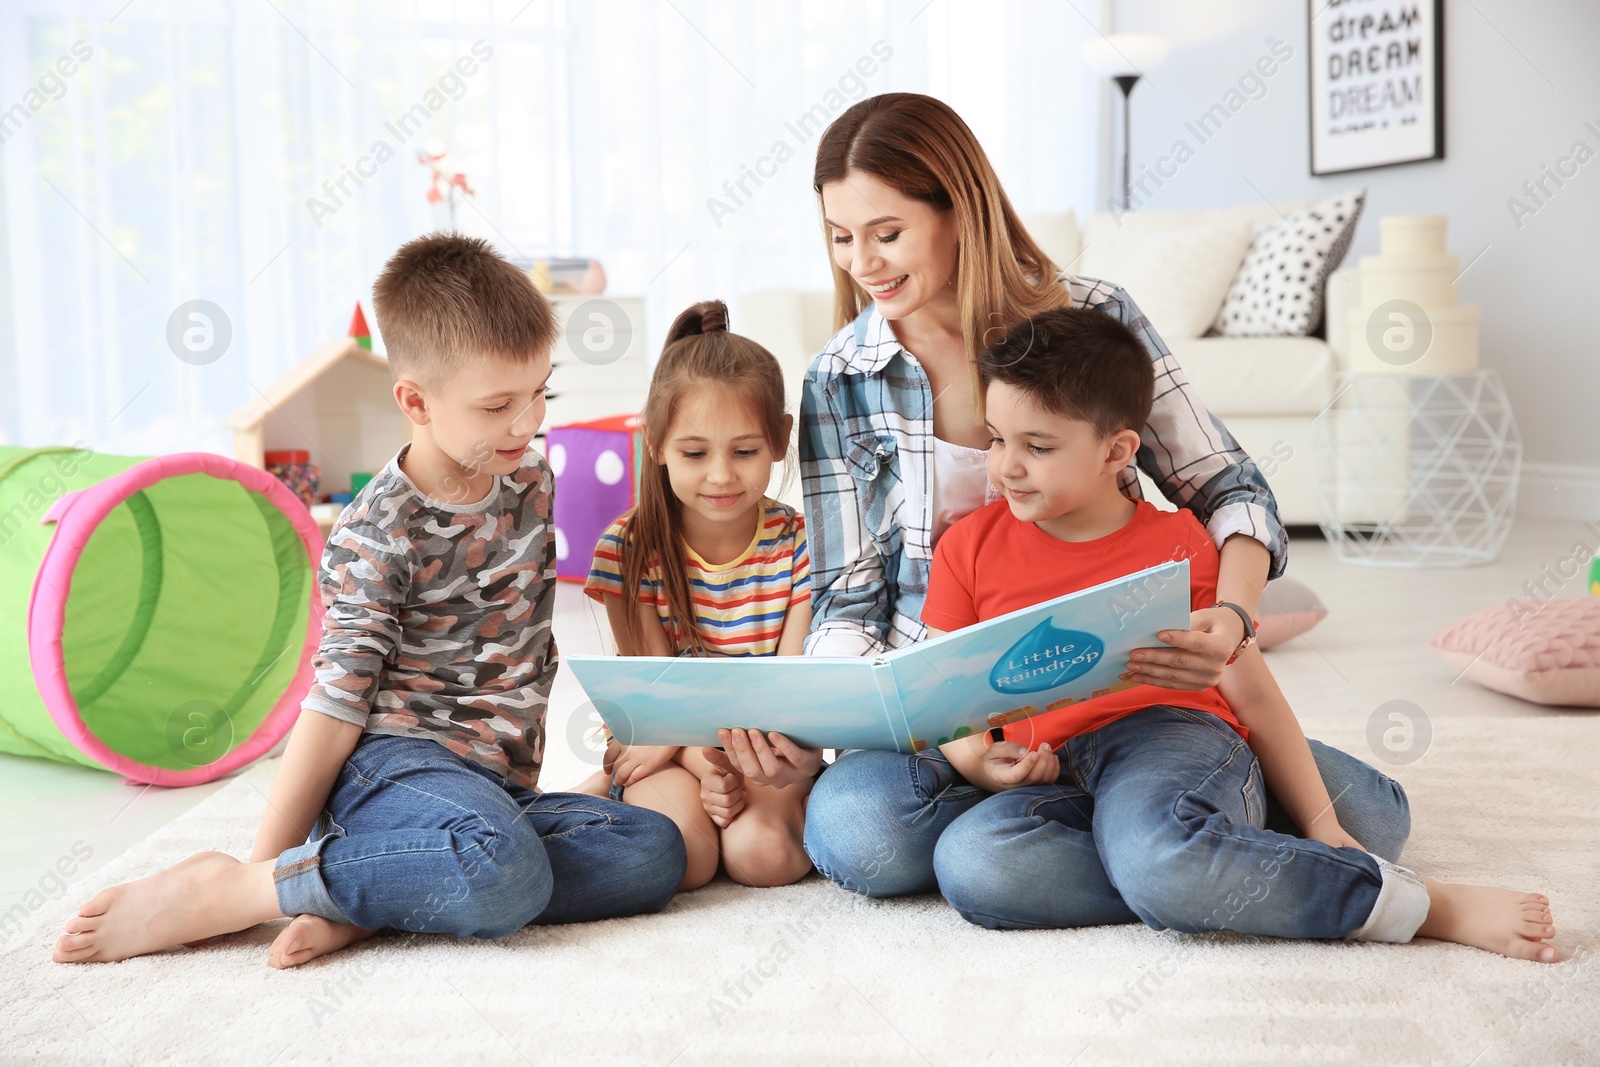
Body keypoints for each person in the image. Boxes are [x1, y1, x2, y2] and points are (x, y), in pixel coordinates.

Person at [798, 91, 1411, 898]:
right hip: (944, 715)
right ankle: (1170, 839)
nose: (861, 263)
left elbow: (1226, 486)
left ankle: (1168, 813)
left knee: (1369, 819)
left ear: (961, 212)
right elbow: (847, 599)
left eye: (887, 233)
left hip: (1120, 694)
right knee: (859, 837)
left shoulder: (1089, 317)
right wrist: (918, 726)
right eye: (842, 238)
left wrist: (1229, 620)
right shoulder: (838, 379)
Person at [52, 234, 685, 967]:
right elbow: (333, 704)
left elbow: (523, 656)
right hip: (391, 766)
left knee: (652, 850)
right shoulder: (380, 529)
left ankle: (379, 889)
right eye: (497, 405)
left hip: (490, 789)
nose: (528, 421)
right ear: (414, 399)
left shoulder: (531, 484)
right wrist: (265, 862)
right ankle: (241, 889)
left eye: (543, 391)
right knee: (506, 871)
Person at [919, 306, 1557, 961]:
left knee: (1158, 852)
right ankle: (1187, 858)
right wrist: (976, 760)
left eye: (1038, 446)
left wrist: (1323, 824)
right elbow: (942, 694)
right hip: (1057, 773)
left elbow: (1250, 693)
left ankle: (1417, 903)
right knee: (975, 863)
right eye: (997, 438)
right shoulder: (967, 545)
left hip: (1165, 740)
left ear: (1117, 450)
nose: (1006, 467)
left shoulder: (1178, 547)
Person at [578, 300, 819, 891]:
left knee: (765, 859)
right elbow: (654, 700)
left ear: (780, 440)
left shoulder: (797, 543)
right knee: (683, 860)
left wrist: (733, 765)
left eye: (744, 451)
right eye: (694, 453)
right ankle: (599, 790)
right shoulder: (629, 547)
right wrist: (694, 760)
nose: (720, 475)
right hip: (661, 738)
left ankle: (601, 792)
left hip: (766, 745)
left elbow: (787, 694)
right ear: (657, 443)